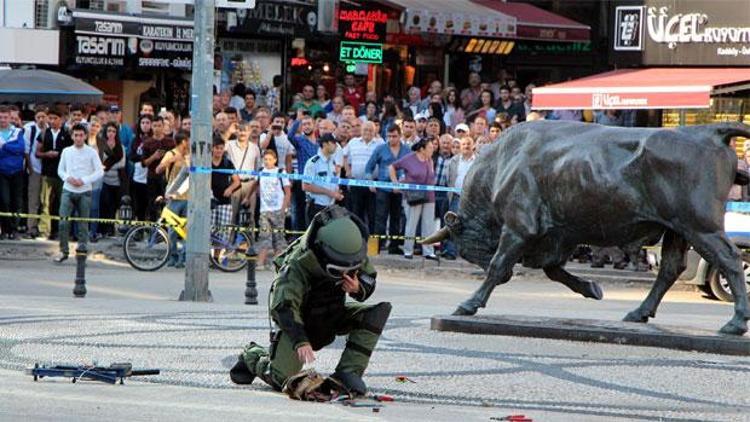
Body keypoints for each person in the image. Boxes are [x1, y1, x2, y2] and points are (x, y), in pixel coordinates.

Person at [230, 205, 391, 399]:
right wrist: (300, 340)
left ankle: (348, 373)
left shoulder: (349, 250)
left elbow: (369, 277)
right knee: (284, 379)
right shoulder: (297, 265)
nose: (347, 271)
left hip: (332, 313)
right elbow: (283, 306)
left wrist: (358, 288)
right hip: (300, 320)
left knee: (376, 313)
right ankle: (252, 355)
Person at [54, 123, 103, 263]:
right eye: (76, 135)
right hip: (68, 190)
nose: (78, 138)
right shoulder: (66, 151)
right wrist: (68, 178)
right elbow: (60, 170)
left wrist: (84, 180)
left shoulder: (92, 152)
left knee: (83, 224)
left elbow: (99, 171)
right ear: (72, 136)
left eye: (81, 135)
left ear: (86, 136)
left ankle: (81, 253)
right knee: (63, 222)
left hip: (85, 191)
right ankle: (63, 251)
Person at [389, 137, 437, 260]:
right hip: (413, 196)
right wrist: (395, 183)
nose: (433, 149)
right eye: (430, 147)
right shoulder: (410, 158)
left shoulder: (430, 160)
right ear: (422, 149)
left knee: (428, 224)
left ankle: (428, 251)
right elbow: (392, 167)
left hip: (429, 196)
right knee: (411, 223)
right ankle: (408, 250)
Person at [366, 124, 410, 254]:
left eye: (394, 136)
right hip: (383, 188)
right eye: (389, 136)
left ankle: (394, 247)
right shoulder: (380, 149)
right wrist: (370, 183)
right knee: (380, 218)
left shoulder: (407, 150)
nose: (391, 139)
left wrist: (403, 180)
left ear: (400, 136)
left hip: (399, 189)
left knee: (396, 218)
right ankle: (376, 247)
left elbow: (410, 168)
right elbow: (369, 167)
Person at [37, 108, 72, 240]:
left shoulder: (67, 134)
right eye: (50, 118)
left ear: (61, 119)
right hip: (47, 173)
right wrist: (47, 154)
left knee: (61, 203)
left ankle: (59, 231)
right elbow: (37, 152)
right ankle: (45, 231)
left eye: (55, 118)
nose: (52, 121)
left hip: (62, 174)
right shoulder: (44, 133)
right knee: (45, 203)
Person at [157, 130, 191, 268]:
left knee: (186, 229)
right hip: (173, 197)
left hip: (189, 196)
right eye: (188, 140)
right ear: (184, 141)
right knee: (172, 229)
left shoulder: (191, 156)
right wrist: (169, 161)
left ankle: (183, 257)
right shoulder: (170, 154)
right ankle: (172, 255)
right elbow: (158, 170)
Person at [343, 121, 383, 233]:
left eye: (371, 130)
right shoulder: (353, 142)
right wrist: (348, 171)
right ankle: (358, 239)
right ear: (361, 130)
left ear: (375, 131)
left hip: (373, 184)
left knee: (373, 214)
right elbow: (344, 156)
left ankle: (373, 241)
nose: (368, 132)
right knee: (356, 213)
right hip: (356, 183)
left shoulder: (380, 143)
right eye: (365, 129)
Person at [256, 149, 291, 269]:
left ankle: (276, 263)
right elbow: (255, 186)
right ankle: (261, 262)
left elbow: (287, 192)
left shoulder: (281, 172)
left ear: (275, 160)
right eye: (265, 159)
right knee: (264, 236)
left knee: (278, 238)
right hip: (265, 210)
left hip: (278, 209)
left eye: (270, 159)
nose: (267, 162)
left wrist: (283, 208)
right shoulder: (261, 172)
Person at [443, 136, 476, 260]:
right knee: (453, 224)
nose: (466, 146)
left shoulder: (478, 160)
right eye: (463, 144)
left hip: (473, 198)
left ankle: (471, 254)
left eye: (468, 144)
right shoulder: (454, 161)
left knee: (471, 226)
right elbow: (449, 178)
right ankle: (451, 251)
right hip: (456, 197)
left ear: (473, 146)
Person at [302, 134, 342, 226]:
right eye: (333, 143)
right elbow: (305, 186)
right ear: (325, 144)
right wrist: (329, 193)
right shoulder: (313, 163)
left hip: (330, 206)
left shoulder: (333, 162)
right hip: (316, 206)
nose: (336, 146)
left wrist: (336, 191)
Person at [141, 116, 175, 221]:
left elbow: (176, 159)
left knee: (166, 204)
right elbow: (143, 163)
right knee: (152, 203)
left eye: (159, 125)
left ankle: (165, 229)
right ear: (151, 126)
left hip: (167, 177)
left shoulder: (170, 142)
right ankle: (152, 229)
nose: (157, 128)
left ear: (163, 126)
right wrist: (154, 157)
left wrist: (167, 159)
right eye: (155, 126)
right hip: (152, 177)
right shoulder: (147, 142)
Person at [0, 105, 26, 239]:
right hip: (2, 172)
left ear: (10, 118)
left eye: (5, 117)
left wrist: (4, 146)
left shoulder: (17, 132)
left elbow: (21, 148)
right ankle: (5, 229)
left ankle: (14, 230)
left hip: (17, 171)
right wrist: (11, 149)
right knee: (4, 201)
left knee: (17, 202)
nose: (3, 120)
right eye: (1, 117)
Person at [23, 106, 48, 239]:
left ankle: (44, 228)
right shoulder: (30, 129)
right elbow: (26, 151)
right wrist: (30, 168)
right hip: (35, 169)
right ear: (35, 118)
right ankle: (31, 227)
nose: (41, 119)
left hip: (48, 171)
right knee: (33, 200)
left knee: (46, 201)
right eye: (38, 117)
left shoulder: (50, 129)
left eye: (43, 116)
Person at [210, 135, 241, 241]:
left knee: (223, 232)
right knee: (209, 231)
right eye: (216, 148)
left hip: (225, 202)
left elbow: (237, 181)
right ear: (212, 148)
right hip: (210, 202)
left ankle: (217, 257)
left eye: (221, 148)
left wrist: (230, 189)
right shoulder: (206, 162)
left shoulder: (227, 163)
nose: (219, 150)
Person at [98, 122, 126, 237]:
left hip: (118, 181)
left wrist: (107, 166)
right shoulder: (101, 145)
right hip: (104, 181)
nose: (111, 133)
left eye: (113, 131)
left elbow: (122, 164)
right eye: (109, 131)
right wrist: (104, 166)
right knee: (105, 205)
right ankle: (104, 230)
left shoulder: (121, 147)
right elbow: (99, 162)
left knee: (114, 206)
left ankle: (112, 229)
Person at [129, 114, 152, 221]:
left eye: (147, 123)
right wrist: (143, 157)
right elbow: (131, 156)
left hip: (151, 176)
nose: (145, 125)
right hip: (138, 176)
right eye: (143, 123)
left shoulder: (154, 139)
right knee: (139, 205)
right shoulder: (136, 140)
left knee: (150, 205)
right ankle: (139, 229)